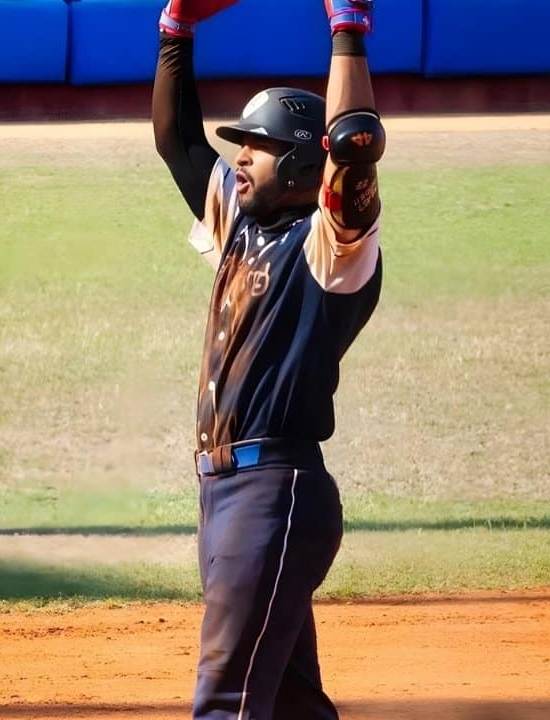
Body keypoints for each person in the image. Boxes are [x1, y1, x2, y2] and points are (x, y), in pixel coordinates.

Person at [151, 0, 384, 716]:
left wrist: (347, 26)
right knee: (286, 699)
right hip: (223, 497)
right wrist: (175, 30)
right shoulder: (238, 226)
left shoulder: (332, 250)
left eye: (254, 144)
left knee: (226, 699)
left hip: (274, 494)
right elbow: (177, 143)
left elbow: (353, 141)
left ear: (299, 162)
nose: (237, 157)